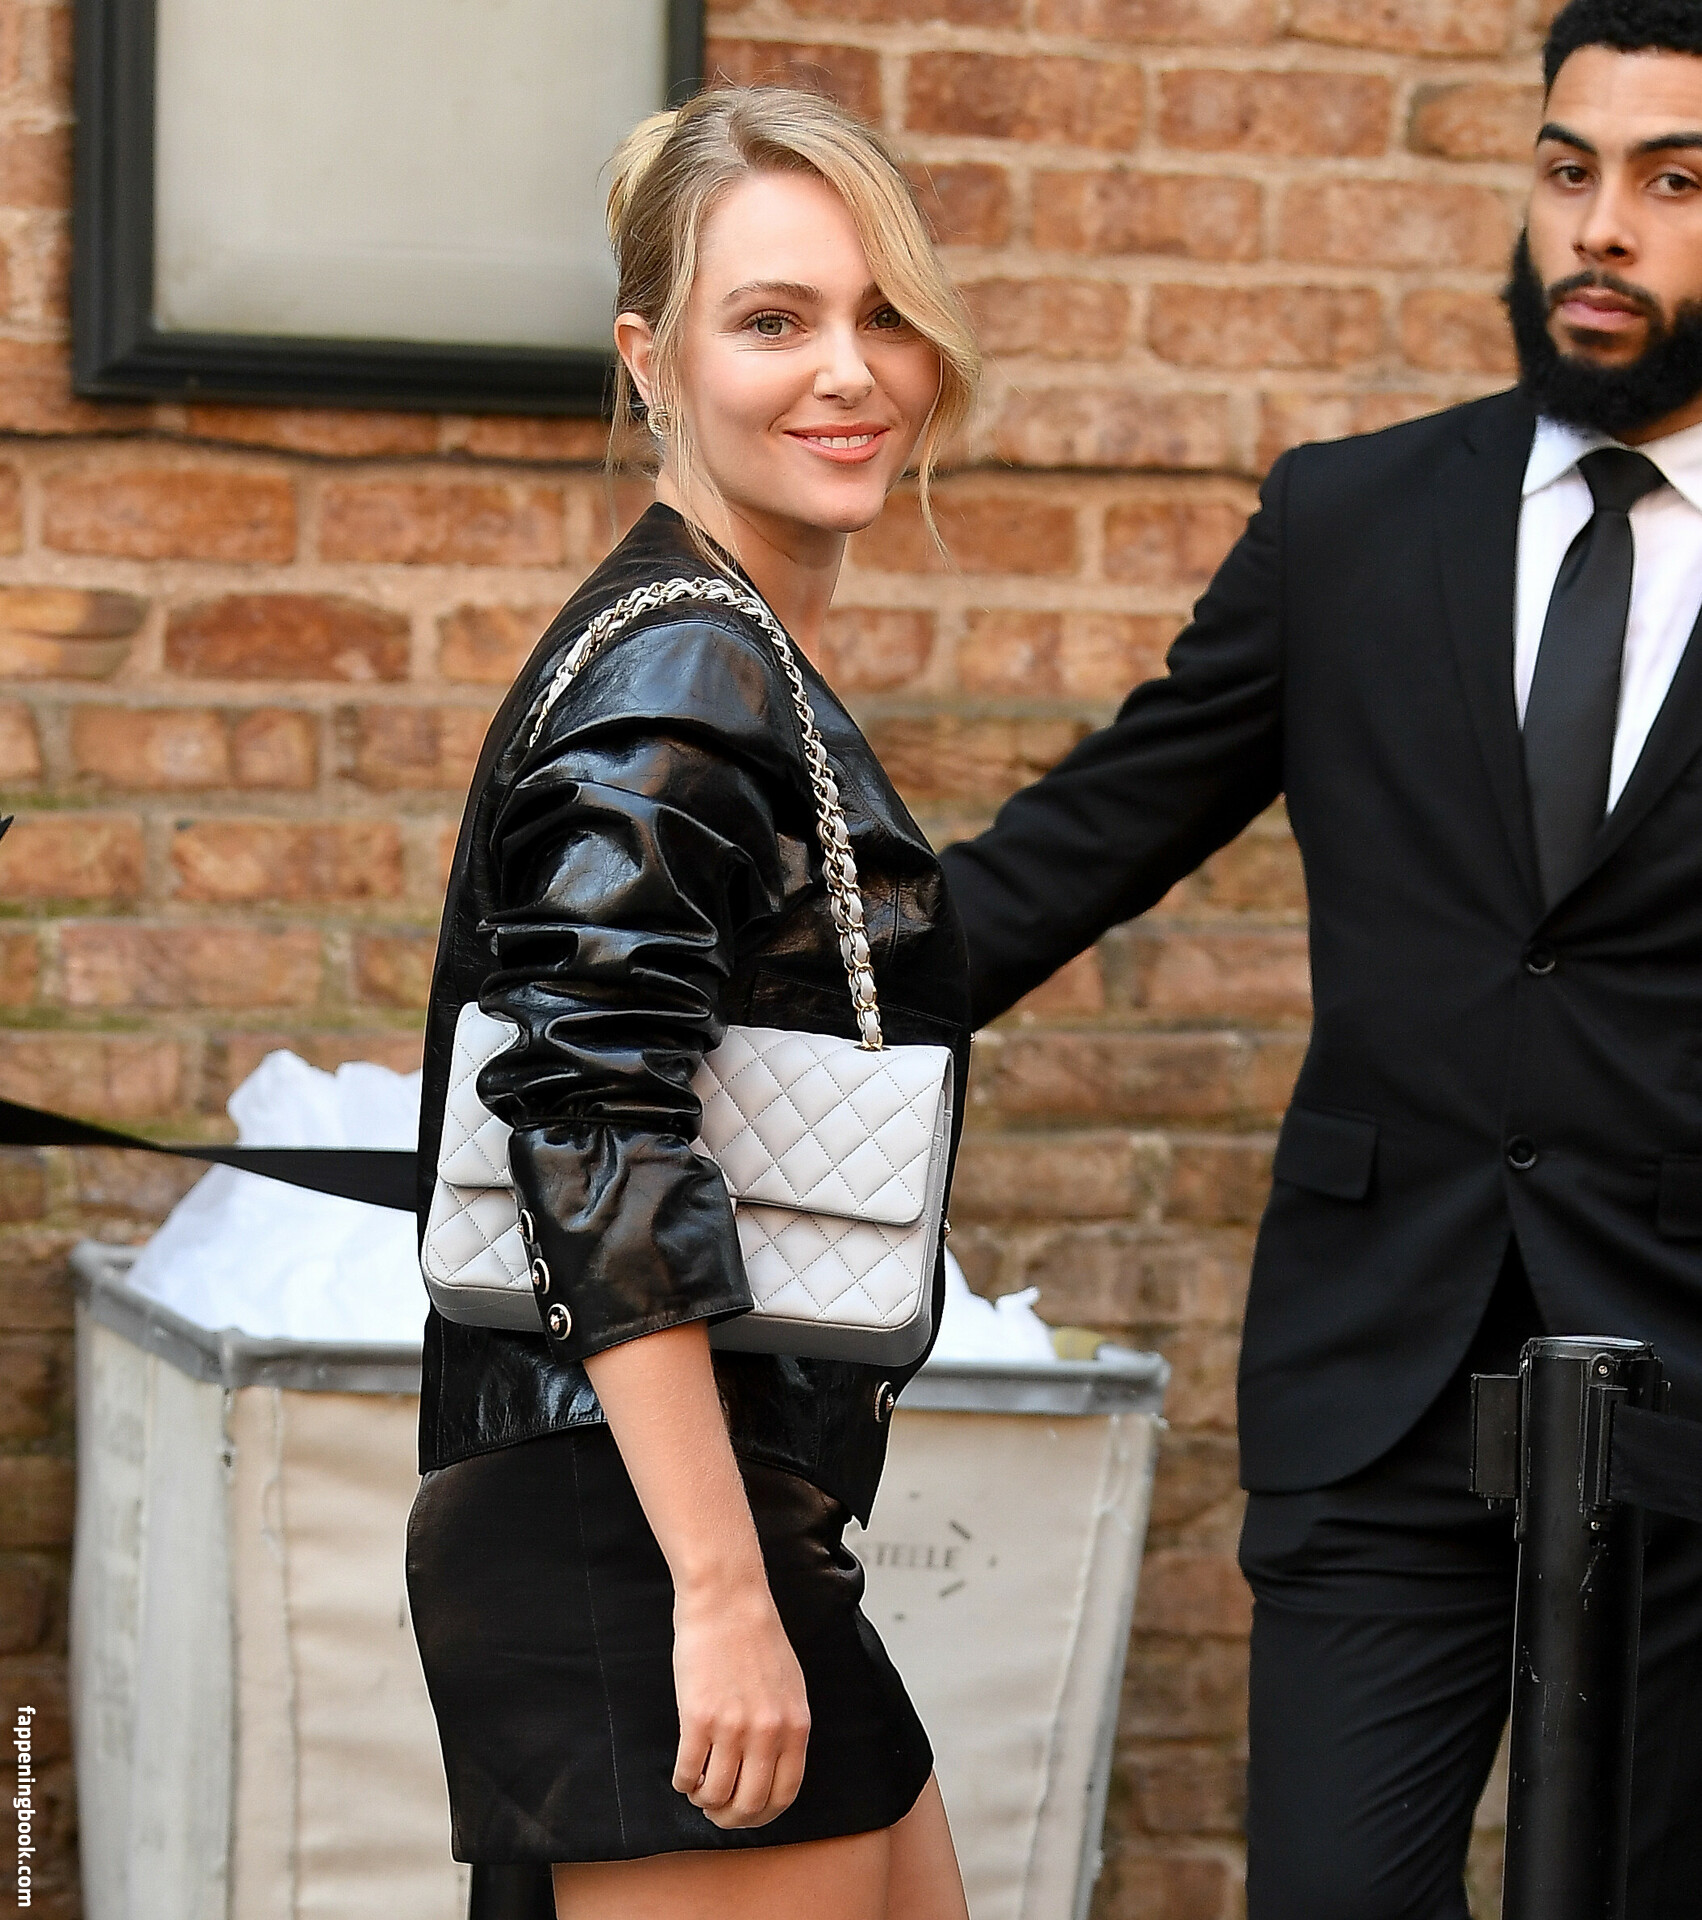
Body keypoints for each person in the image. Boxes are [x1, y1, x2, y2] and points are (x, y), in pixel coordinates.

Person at [937, 4, 1702, 1915]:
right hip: (1383, 1373)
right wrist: (732, 1008)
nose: (1600, 226)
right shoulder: (1349, 521)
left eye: (1674, 181)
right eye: (1567, 169)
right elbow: (1080, 845)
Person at [405, 87, 978, 1920]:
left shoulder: (716, 647)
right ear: (650, 360)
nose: (849, 371)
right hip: (647, 1529)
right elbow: (591, 1120)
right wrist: (721, 1598)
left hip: (702, 1507)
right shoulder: (684, 671)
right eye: (774, 319)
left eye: (882, 314)